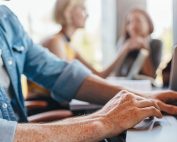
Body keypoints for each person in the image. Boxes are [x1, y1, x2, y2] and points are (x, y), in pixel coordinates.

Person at [0, 2, 177, 142]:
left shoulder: (7, 21)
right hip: (51, 107)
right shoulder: (56, 42)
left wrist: (144, 96)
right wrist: (100, 122)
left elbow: (67, 75)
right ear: (69, 11)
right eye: (83, 8)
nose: (88, 14)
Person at [116, 8, 162, 78]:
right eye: (129, 22)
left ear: (148, 25)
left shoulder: (156, 44)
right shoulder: (123, 43)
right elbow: (115, 73)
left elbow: (151, 76)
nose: (133, 25)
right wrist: (124, 50)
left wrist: (144, 48)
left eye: (138, 21)